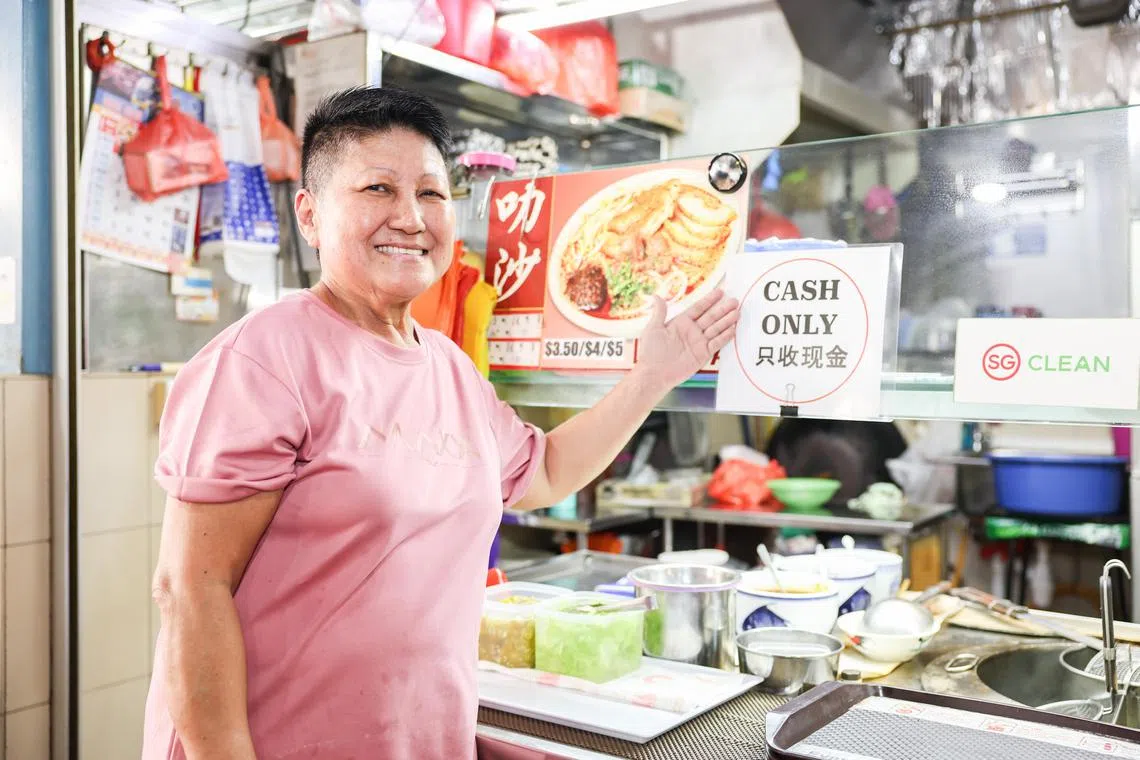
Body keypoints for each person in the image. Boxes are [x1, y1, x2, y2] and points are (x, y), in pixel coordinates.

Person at [143, 85, 739, 760]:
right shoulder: (262, 360)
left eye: (430, 193)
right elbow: (191, 588)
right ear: (309, 216)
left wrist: (655, 374)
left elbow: (544, 470)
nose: (410, 216)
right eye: (377, 189)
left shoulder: (450, 370)